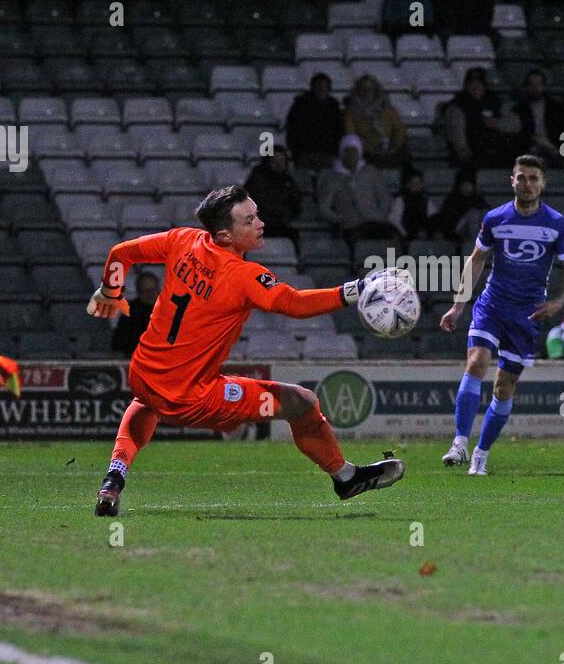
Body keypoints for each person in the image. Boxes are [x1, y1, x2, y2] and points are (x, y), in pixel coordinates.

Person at [87, 186, 407, 515]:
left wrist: (109, 291)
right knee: (302, 403)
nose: (260, 224)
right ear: (225, 235)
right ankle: (346, 477)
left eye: (257, 214)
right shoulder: (243, 275)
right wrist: (356, 289)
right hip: (192, 397)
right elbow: (293, 304)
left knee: (146, 402)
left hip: (143, 373)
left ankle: (115, 477)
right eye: (249, 220)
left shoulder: (182, 240)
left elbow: (121, 252)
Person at [438, 155, 564, 475]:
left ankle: (481, 455)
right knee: (476, 362)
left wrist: (558, 302)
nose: (527, 184)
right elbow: (476, 261)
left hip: (527, 314)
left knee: (504, 387)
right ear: (511, 181)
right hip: (492, 303)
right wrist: (459, 305)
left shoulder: (555, 223)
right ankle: (459, 443)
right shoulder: (495, 218)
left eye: (533, 178)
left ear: (542, 184)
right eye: (521, 178)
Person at [317, 134, 397, 248]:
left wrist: (380, 216)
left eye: (353, 150)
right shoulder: (331, 177)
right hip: (351, 226)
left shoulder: (371, 172)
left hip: (375, 222)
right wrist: (341, 219)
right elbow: (324, 208)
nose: (350, 154)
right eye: (346, 150)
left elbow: (385, 199)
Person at [442, 67, 522, 171]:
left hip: (498, 155)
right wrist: (467, 156)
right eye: (471, 84)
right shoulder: (457, 106)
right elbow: (458, 140)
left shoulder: (495, 102)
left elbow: (516, 125)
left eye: (479, 84)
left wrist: (497, 123)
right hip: (471, 159)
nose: (475, 87)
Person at [343, 74, 408, 169]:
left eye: (370, 89)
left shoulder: (387, 108)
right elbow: (351, 134)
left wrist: (394, 146)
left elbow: (399, 129)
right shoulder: (351, 111)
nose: (367, 92)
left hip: (390, 150)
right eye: (363, 89)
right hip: (367, 152)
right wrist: (371, 149)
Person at [285, 73, 344, 173]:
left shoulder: (334, 106)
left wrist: (335, 151)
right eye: (319, 86)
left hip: (328, 155)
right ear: (313, 87)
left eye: (325, 86)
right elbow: (292, 129)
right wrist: (297, 152)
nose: (322, 89)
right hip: (305, 155)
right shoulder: (300, 105)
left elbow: (339, 129)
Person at [512, 68, 564, 166]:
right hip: (533, 148)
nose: (535, 88)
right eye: (531, 84)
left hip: (555, 147)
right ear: (526, 87)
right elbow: (521, 135)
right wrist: (540, 143)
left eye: (538, 84)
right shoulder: (519, 109)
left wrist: (563, 152)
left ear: (544, 86)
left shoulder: (557, 107)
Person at [243, 144, 301, 242]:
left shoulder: (288, 180)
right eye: (275, 161)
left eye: (282, 161)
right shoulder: (257, 178)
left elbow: (296, 203)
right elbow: (260, 203)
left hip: (281, 223)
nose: (279, 164)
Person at [431, 168, 487, 246]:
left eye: (469, 184)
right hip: (456, 232)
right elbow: (447, 220)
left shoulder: (478, 199)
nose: (466, 187)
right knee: (473, 214)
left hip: (476, 231)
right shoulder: (452, 199)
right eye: (464, 184)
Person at [111, 271, 160, 357]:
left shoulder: (170, 309)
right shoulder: (130, 314)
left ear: (158, 290)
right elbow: (120, 343)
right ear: (138, 291)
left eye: (152, 290)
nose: (149, 294)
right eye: (144, 291)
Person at [388, 168, 432, 241]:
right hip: (405, 237)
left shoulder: (427, 201)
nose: (417, 186)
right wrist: (406, 235)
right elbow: (395, 221)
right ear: (407, 185)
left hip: (423, 237)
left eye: (420, 183)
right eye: (414, 183)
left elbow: (432, 219)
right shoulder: (400, 200)